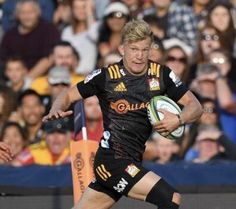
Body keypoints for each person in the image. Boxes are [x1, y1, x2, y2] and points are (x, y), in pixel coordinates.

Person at [43, 20, 202, 209]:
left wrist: (178, 119)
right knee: (171, 198)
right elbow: (68, 94)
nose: (139, 56)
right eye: (134, 49)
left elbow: (196, 107)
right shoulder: (106, 76)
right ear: (121, 49)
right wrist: (56, 107)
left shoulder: (162, 74)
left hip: (133, 158)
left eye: (145, 50)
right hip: (113, 161)